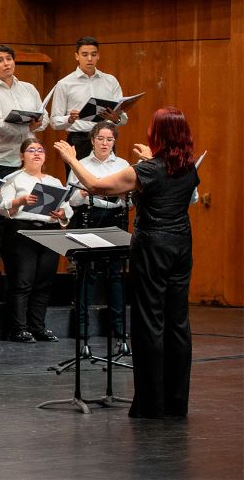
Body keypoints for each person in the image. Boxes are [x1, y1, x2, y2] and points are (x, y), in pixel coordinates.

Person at [55, 107, 199, 419]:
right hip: (181, 246)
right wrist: (152, 159)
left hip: (153, 246)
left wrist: (71, 160)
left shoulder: (146, 171)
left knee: (150, 321)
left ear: (158, 135)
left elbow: (95, 185)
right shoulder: (189, 168)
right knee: (177, 322)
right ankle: (176, 403)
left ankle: (151, 405)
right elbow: (167, 175)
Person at [0, 44, 49, 271]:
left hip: (27, 162)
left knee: (25, 211)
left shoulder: (28, 88)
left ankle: (17, 261)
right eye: (0, 60)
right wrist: (28, 128)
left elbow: (44, 119)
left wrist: (36, 124)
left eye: (9, 59)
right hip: (2, 160)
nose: (6, 63)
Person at [0, 137, 72, 343]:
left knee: (44, 283)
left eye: (40, 150)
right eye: (31, 150)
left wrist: (61, 214)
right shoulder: (14, 179)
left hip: (49, 231)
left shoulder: (53, 181)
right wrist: (20, 201)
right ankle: (18, 328)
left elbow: (67, 210)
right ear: (22, 156)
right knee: (22, 282)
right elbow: (2, 208)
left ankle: (38, 326)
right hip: (22, 231)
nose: (37, 153)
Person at [67, 121, 130, 347]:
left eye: (109, 139)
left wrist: (122, 196)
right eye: (101, 139)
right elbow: (71, 200)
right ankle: (82, 331)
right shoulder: (81, 164)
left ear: (114, 142)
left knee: (114, 274)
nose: (105, 143)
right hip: (90, 216)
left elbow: (129, 199)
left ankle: (119, 330)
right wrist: (83, 193)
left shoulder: (122, 164)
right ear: (92, 140)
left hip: (114, 218)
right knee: (87, 274)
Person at [50, 36, 126, 162]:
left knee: (108, 179)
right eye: (85, 54)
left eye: (93, 54)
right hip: (79, 140)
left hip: (105, 138)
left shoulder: (110, 81)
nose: (90, 58)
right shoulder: (64, 83)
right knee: (76, 180)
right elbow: (54, 121)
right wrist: (69, 119)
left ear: (98, 56)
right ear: (77, 56)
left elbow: (123, 118)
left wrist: (116, 118)